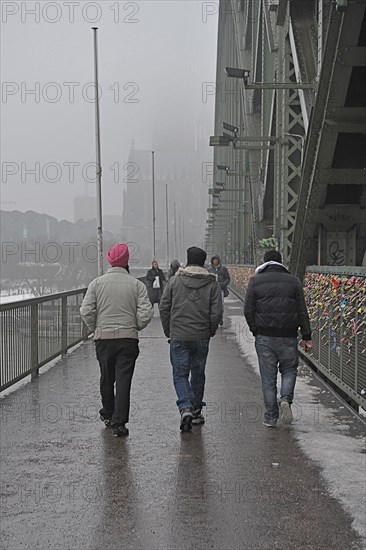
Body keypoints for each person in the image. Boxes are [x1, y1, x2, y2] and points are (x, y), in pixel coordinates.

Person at [80, 244, 153, 437]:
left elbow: (86, 310)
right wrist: (135, 325)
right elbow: (146, 312)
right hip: (128, 340)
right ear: (126, 261)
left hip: (104, 339)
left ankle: (107, 413)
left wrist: (95, 328)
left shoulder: (96, 283)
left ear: (110, 261)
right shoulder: (137, 285)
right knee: (123, 380)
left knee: (106, 377)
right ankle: (119, 422)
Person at [244, 250, 313, 427]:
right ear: (281, 263)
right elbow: (301, 311)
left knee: (268, 379)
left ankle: (270, 417)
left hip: (265, 336)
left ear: (264, 263)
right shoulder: (293, 281)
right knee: (289, 370)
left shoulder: (255, 281)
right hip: (288, 336)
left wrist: (255, 330)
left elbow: (248, 310)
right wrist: (306, 336)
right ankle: (285, 399)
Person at [159, 246, 222, 431]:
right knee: (198, 373)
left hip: (179, 335)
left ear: (187, 260)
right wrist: (209, 331)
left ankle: (184, 407)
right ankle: (195, 411)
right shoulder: (212, 283)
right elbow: (216, 312)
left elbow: (164, 307)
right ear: (203, 262)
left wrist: (168, 331)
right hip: (201, 335)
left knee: (180, 374)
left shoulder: (174, 281)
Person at [208, 255, 230, 326]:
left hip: (221, 290)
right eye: (214, 260)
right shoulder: (209, 270)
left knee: (221, 305)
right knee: (212, 305)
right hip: (212, 290)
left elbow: (227, 278)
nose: (215, 261)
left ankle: (220, 318)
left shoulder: (223, 269)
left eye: (216, 260)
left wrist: (223, 284)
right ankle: (214, 319)